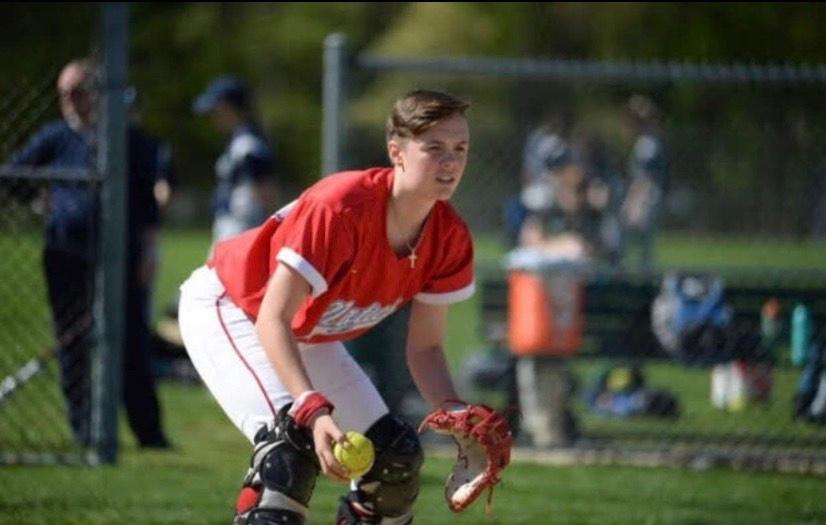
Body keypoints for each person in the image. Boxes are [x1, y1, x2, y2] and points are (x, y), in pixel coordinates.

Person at [178, 90, 506, 524]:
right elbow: (274, 316)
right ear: (397, 153)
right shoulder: (341, 207)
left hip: (304, 331)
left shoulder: (449, 237)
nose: (450, 162)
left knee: (394, 464)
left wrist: (458, 416)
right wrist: (311, 410)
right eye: (434, 148)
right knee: (288, 457)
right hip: (235, 308)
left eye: (460, 149)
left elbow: (425, 349)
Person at [5, 59, 171, 448]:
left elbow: (149, 203)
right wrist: (41, 200)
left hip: (122, 255)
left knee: (131, 341)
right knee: (73, 343)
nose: (69, 100)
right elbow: (16, 178)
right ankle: (86, 432)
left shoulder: (128, 139)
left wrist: (149, 250)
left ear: (98, 94)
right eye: (63, 93)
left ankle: (150, 433)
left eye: (77, 91)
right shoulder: (55, 138)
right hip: (68, 254)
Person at [192, 75, 276, 248]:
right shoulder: (237, 141)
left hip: (242, 228)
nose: (214, 117)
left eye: (216, 111)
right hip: (231, 227)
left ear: (229, 108)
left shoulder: (248, 145)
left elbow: (265, 191)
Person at [620, 94, 670, 274]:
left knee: (636, 244)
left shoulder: (647, 144)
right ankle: (640, 276)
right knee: (642, 246)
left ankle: (638, 280)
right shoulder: (650, 140)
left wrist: (634, 203)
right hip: (647, 195)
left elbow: (644, 178)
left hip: (645, 197)